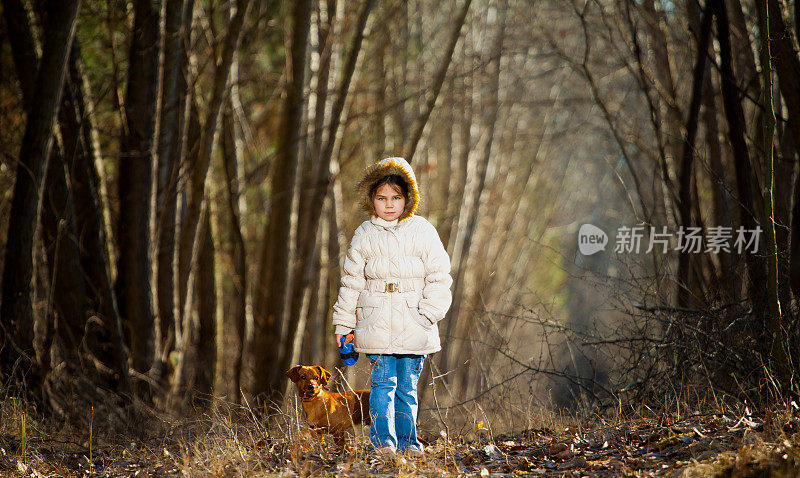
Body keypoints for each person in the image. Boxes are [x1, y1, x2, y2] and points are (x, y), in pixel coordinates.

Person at [332, 157, 453, 458]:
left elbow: (440, 276)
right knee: (382, 387)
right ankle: (383, 443)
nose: (389, 205)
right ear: (370, 199)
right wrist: (344, 326)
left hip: (414, 324)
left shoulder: (423, 231)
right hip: (377, 324)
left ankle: (408, 443)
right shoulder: (364, 234)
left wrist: (428, 313)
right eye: (382, 198)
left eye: (396, 198)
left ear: (408, 198)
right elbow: (351, 284)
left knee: (406, 389)